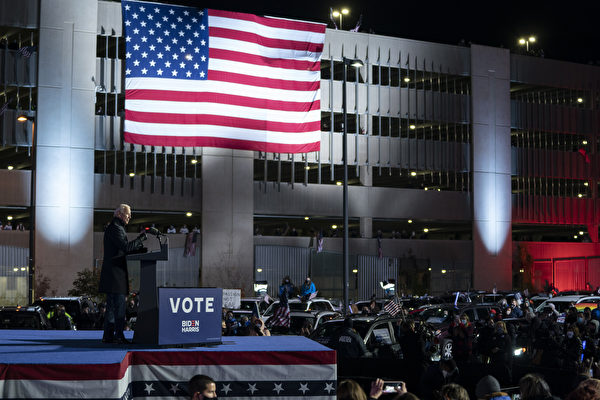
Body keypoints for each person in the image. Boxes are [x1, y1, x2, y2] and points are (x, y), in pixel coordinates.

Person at [98, 204, 146, 344]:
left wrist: (139, 247)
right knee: (118, 308)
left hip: (114, 274)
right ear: (119, 214)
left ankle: (108, 336)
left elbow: (124, 249)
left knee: (113, 308)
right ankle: (118, 336)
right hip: (115, 275)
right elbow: (125, 247)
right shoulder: (115, 228)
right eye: (128, 214)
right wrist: (141, 239)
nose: (130, 217)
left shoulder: (116, 228)